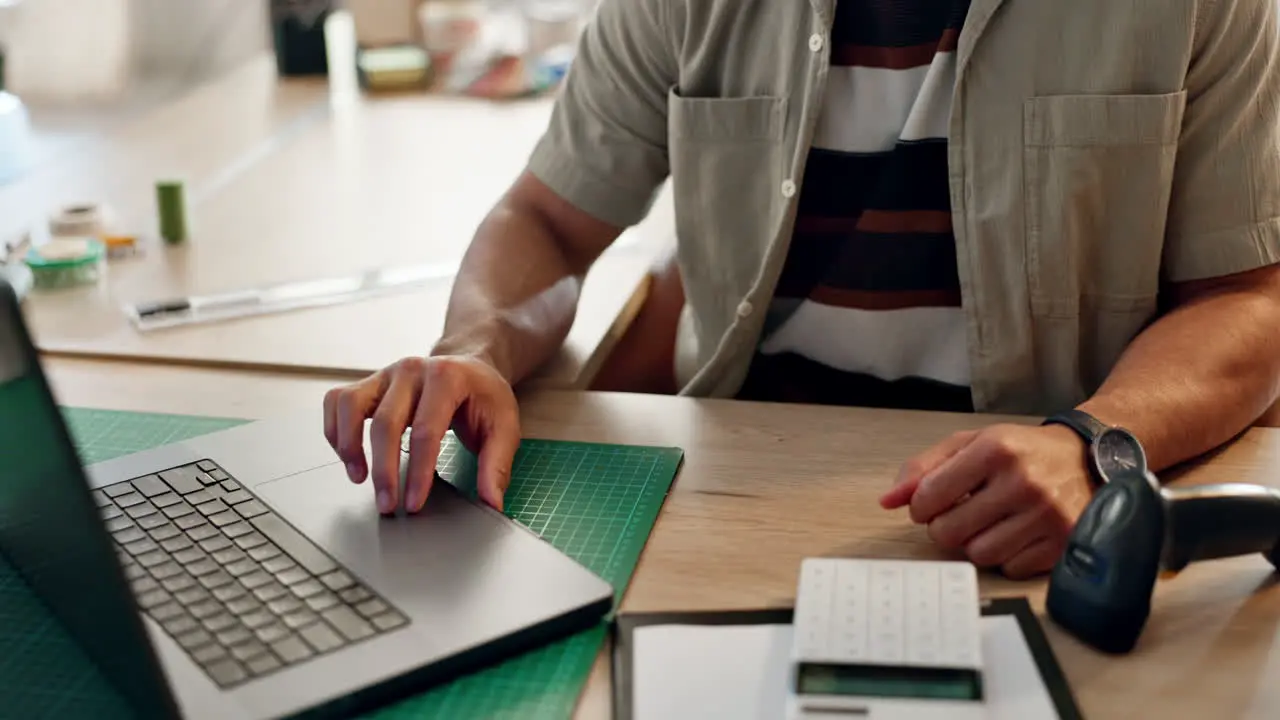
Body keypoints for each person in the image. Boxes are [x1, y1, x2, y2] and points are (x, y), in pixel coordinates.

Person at [323, 0, 1280, 578]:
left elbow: (1248, 300)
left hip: (1040, 514)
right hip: (730, 490)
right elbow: (549, 220)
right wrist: (473, 350)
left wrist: (1092, 444)